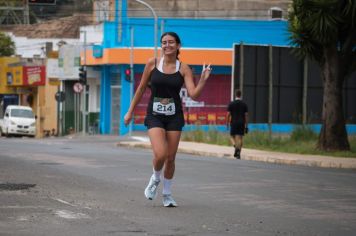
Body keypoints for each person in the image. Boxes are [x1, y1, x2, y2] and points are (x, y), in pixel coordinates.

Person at [124, 32, 212, 207]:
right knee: (161, 154)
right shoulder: (152, 63)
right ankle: (155, 178)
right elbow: (141, 89)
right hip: (154, 115)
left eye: (171, 42)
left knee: (171, 158)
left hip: (174, 116)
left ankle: (167, 194)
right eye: (164, 42)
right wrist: (130, 112)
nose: (167, 45)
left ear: (178, 46)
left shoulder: (184, 68)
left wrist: (202, 80)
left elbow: (194, 94)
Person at [227, 89, 248, 159]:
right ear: (240, 95)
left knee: (231, 136)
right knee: (240, 138)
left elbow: (228, 114)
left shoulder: (231, 104)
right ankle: (238, 154)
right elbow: (246, 116)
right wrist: (246, 126)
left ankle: (236, 148)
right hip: (242, 123)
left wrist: (227, 123)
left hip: (234, 122)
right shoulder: (244, 104)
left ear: (235, 95)